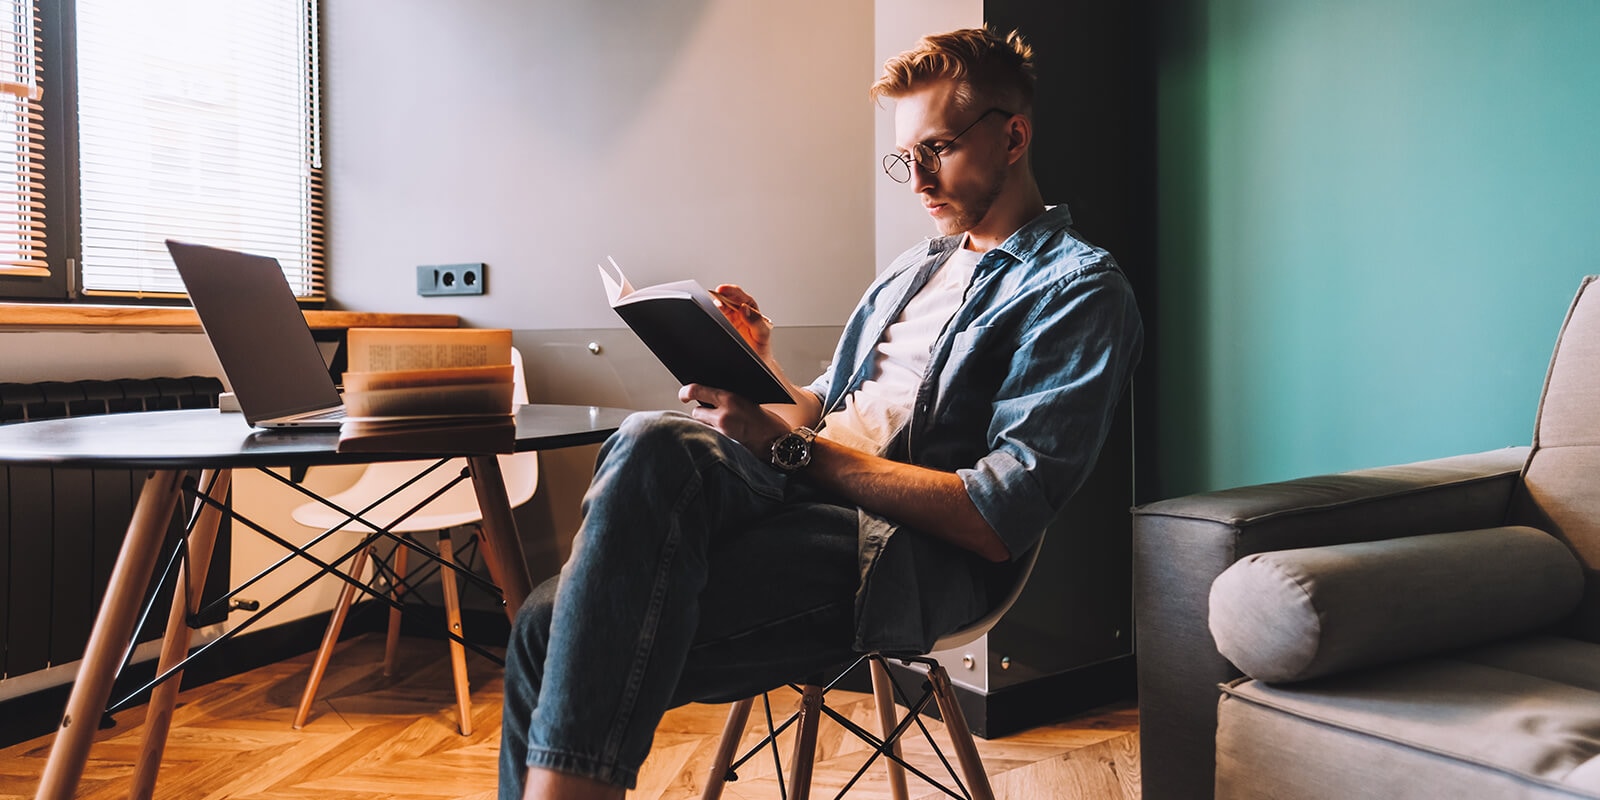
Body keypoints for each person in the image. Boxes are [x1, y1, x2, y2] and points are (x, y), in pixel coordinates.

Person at [500, 26, 1144, 800]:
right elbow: (831, 406)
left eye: (936, 149)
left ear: (1013, 136)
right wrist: (759, 371)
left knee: (553, 620)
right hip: (797, 486)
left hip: (898, 548)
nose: (916, 180)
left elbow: (998, 517)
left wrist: (794, 451)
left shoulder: (1078, 291)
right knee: (645, 453)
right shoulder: (916, 268)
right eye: (907, 157)